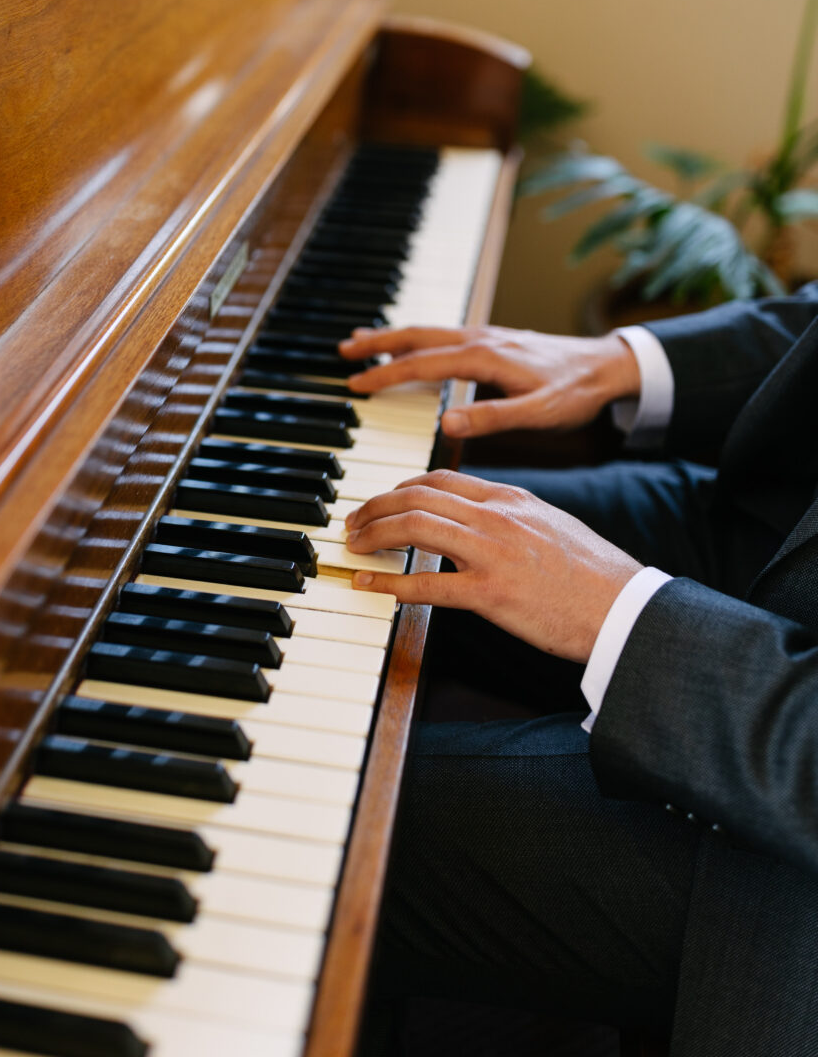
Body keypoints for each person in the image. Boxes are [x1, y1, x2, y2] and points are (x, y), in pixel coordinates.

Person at [338, 298, 818, 1053]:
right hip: (784, 532)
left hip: (795, 863)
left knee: (326, 813)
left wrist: (617, 610)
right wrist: (628, 363)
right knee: (382, 526)